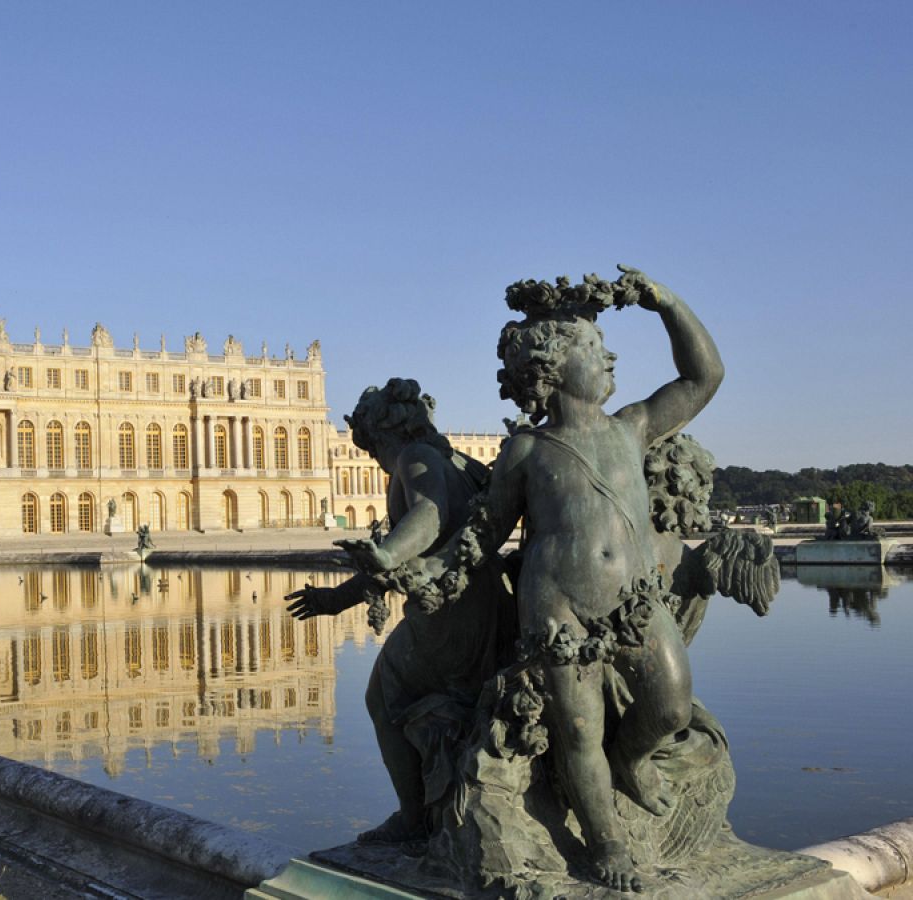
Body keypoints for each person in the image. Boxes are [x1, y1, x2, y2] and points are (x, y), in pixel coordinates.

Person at [409, 267, 721, 891]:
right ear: (550, 368)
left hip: (634, 600)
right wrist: (426, 569)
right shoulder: (527, 451)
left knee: (671, 703)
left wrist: (665, 302)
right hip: (558, 610)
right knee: (577, 729)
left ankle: (628, 761)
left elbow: (703, 376)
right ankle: (606, 843)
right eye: (590, 347)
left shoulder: (632, 427)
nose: (608, 355)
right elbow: (486, 532)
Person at [286, 378, 509, 843]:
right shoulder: (458, 461)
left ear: (385, 435)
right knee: (434, 707)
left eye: (372, 449)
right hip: (484, 606)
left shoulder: (414, 457)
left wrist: (387, 554)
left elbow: (427, 516)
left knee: (382, 698)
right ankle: (441, 806)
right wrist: (337, 599)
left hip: (447, 614)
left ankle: (414, 818)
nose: (374, 460)